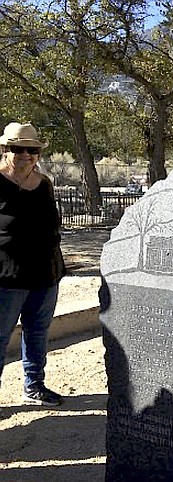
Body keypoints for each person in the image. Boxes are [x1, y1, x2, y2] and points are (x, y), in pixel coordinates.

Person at [0, 122, 66, 406]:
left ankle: (34, 385)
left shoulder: (44, 184)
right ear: (5, 150)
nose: (25, 154)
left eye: (32, 149)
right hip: (6, 278)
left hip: (45, 275)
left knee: (37, 333)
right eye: (17, 149)